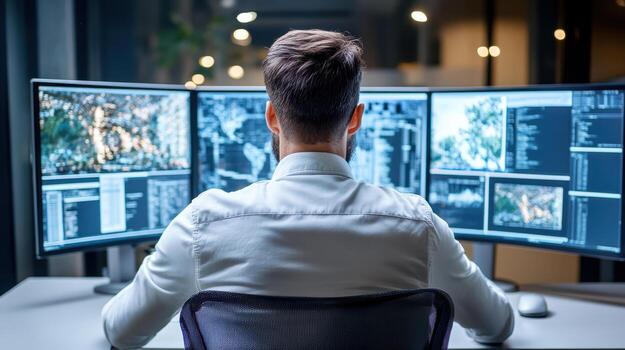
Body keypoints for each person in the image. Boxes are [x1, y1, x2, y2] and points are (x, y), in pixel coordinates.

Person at [102, 29, 514, 349]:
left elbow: (122, 332)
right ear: (355, 119)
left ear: (271, 117)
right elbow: (497, 325)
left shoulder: (201, 225)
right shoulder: (418, 226)